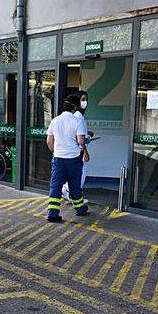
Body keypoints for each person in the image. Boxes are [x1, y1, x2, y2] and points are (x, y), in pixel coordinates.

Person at [45, 94, 90, 222]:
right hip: (74, 160)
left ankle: (53, 214)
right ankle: (80, 209)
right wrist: (85, 144)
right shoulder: (77, 121)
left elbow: (49, 141)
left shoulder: (55, 121)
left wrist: (56, 151)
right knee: (75, 185)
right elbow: (81, 142)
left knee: (56, 186)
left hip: (58, 159)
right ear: (74, 107)